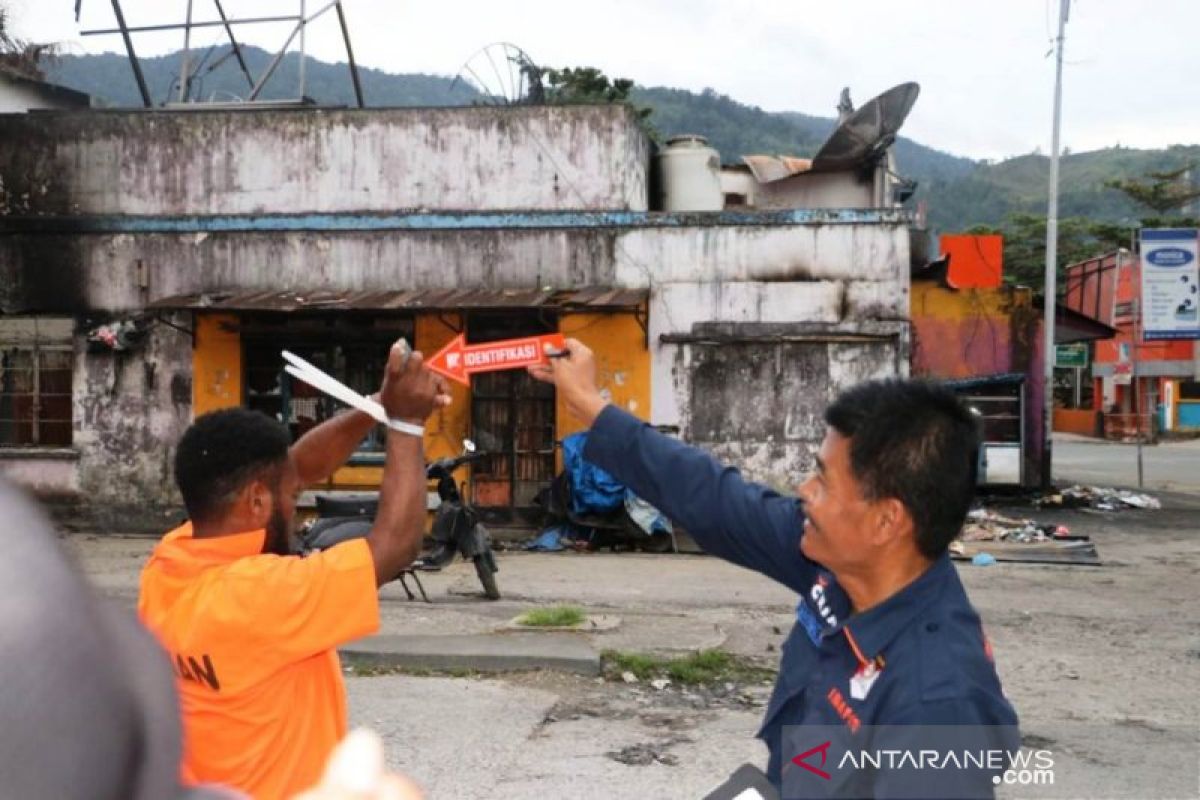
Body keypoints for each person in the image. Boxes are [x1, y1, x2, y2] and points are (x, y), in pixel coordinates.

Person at [529, 339, 1019, 796]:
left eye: (824, 482)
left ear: (886, 520)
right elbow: (714, 498)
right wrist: (591, 406)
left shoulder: (936, 701)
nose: (805, 490)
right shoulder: (835, 564)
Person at [139, 340, 448, 800]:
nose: (298, 507)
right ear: (258, 501)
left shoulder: (169, 564)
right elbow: (395, 547)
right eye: (290, 497)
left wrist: (379, 406)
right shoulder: (258, 596)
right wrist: (405, 424)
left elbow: (297, 466)